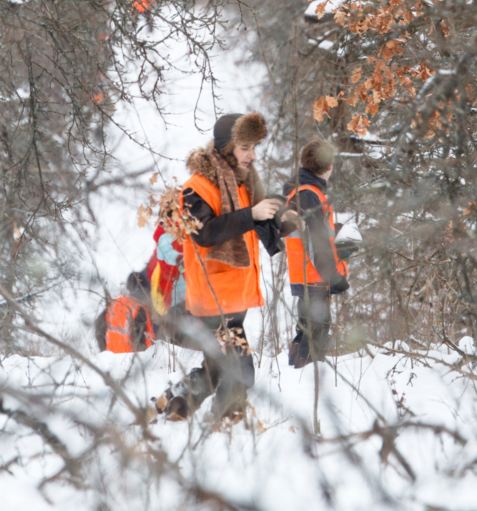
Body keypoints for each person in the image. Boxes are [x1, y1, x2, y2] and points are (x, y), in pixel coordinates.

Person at [155, 112, 288, 422]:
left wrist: (280, 214)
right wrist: (251, 215)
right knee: (240, 370)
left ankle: (175, 405)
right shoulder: (196, 187)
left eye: (254, 147)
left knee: (217, 367)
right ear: (227, 148)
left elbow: (254, 220)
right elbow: (205, 233)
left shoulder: (242, 184)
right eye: (245, 147)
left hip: (234, 294)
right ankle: (225, 421)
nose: (252, 155)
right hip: (214, 297)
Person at [284, 139, 354, 369]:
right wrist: (334, 278)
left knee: (307, 333)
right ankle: (303, 384)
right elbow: (316, 245)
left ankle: (294, 377)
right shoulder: (308, 195)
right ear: (330, 165)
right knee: (316, 336)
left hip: (307, 275)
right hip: (314, 278)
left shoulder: (303, 193)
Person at [95, 271, 155, 354]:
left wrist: (104, 351)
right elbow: (142, 342)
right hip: (131, 361)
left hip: (111, 360)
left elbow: (98, 326)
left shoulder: (115, 303)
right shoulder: (140, 310)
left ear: (128, 287)